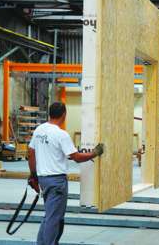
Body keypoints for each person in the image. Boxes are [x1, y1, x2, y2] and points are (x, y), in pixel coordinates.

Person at [28, 102, 103, 245]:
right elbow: (77, 157)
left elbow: (31, 153)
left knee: (50, 215)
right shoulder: (61, 134)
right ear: (64, 114)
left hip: (44, 179)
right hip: (57, 182)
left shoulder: (39, 130)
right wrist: (95, 153)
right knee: (54, 217)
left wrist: (33, 175)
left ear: (50, 113)